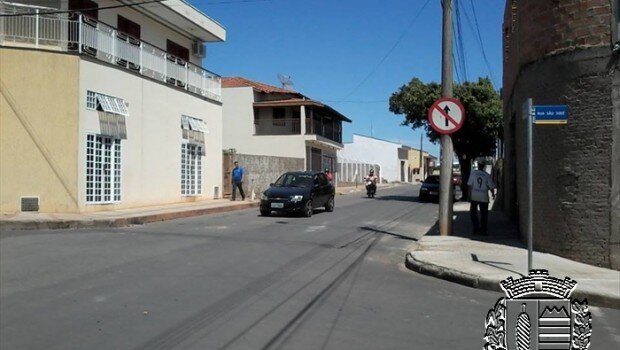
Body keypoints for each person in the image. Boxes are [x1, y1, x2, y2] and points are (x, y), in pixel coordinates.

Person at [467, 162, 496, 235]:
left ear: (478, 166)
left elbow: (470, 186)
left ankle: (476, 228)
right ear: (484, 167)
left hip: (474, 196)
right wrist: (493, 194)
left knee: (473, 213)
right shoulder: (486, 175)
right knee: (484, 214)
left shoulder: (473, 173)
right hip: (483, 196)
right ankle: (483, 229)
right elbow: (491, 186)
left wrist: (469, 195)